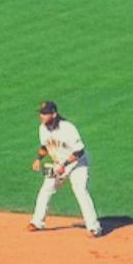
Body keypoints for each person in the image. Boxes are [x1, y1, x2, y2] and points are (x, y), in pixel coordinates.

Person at [29, 100, 102, 237]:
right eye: (41, 114)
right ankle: (37, 222)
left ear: (54, 114)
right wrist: (38, 159)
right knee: (46, 190)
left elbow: (79, 152)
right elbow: (45, 147)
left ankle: (94, 228)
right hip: (58, 165)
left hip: (77, 164)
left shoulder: (67, 128)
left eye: (45, 114)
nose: (42, 116)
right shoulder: (42, 128)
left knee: (80, 191)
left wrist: (65, 165)